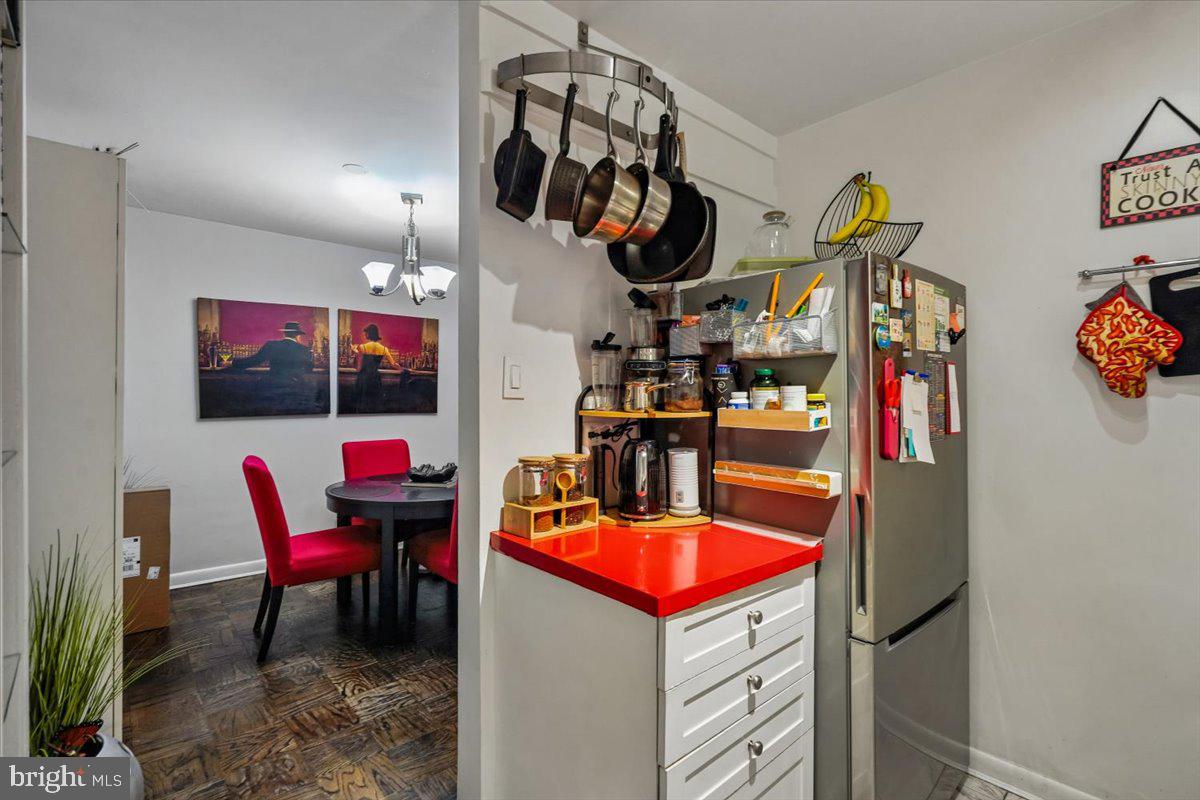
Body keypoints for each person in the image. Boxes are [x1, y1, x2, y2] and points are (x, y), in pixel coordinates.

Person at [228, 321, 313, 378]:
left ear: (284, 333)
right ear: (298, 335)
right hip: (296, 390)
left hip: (274, 386)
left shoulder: (272, 345)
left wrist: (233, 362)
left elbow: (254, 360)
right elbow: (309, 369)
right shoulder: (304, 349)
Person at [353, 323, 399, 412]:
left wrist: (355, 352)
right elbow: (393, 364)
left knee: (362, 404)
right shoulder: (384, 349)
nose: (365, 335)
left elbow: (357, 367)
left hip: (363, 378)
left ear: (369, 334)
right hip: (375, 378)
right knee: (374, 404)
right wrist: (404, 369)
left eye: (366, 333)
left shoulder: (362, 347)